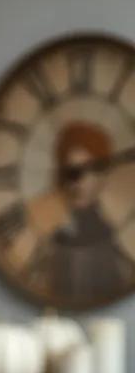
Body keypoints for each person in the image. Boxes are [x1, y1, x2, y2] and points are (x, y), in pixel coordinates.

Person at [44, 121, 129, 304]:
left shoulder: (105, 234)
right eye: (73, 172)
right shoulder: (55, 231)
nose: (80, 182)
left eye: (89, 170)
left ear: (102, 175)